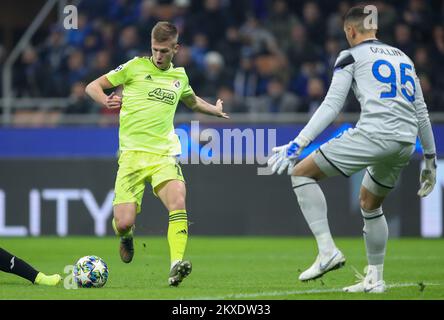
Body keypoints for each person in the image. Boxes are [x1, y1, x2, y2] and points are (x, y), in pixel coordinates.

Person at [268, 6, 436, 293]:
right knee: (370, 204)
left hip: (375, 134)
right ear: (375, 31)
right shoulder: (403, 58)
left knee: (300, 173)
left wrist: (299, 142)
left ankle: (327, 252)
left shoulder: (351, 55)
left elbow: (332, 105)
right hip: (405, 142)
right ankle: (375, 278)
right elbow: (421, 112)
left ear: (349, 30)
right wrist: (430, 160)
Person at [85, 21, 229, 287]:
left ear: (176, 48)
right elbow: (92, 86)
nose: (158, 56)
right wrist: (104, 100)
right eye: (155, 49)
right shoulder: (134, 67)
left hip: (164, 154)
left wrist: (215, 110)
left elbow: (193, 101)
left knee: (178, 201)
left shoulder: (180, 77)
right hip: (131, 156)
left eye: (164, 50)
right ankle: (126, 238)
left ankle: (176, 266)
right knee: (124, 222)